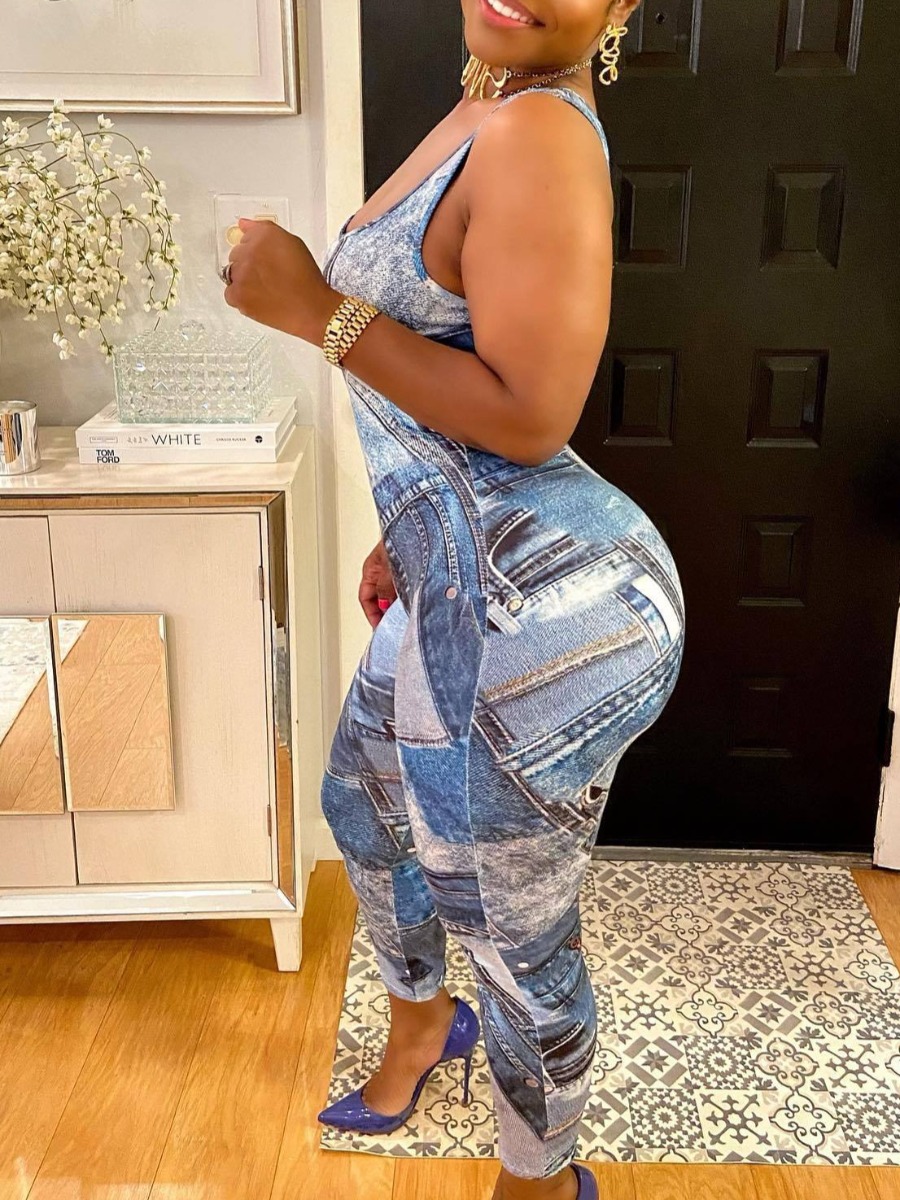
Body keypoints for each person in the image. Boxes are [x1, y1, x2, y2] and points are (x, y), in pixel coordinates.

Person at [222, 2, 685, 1196]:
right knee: (363, 803)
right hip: (461, 565)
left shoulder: (540, 133)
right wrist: (407, 522)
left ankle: (539, 1181)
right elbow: (458, 365)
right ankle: (428, 1025)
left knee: (516, 937)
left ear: (622, 6)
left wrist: (312, 309)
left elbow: (531, 416)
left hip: (542, 612)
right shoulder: (493, 95)